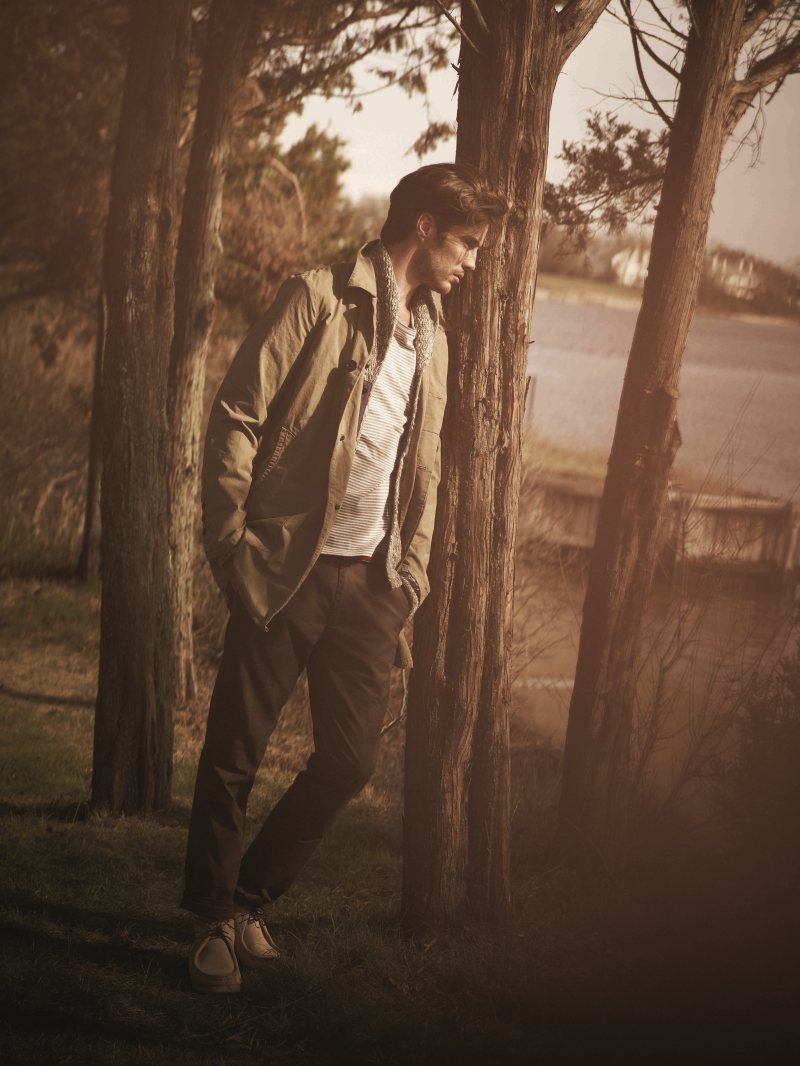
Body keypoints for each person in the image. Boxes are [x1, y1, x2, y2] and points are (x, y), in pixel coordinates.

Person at [181, 162, 507, 993]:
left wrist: (411, 576)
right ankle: (211, 924)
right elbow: (238, 414)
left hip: (372, 585)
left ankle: (249, 898)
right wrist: (230, 544)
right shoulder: (319, 297)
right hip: (285, 569)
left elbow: (424, 462)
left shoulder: (434, 335)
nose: (473, 262)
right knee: (234, 753)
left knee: (353, 759)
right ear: (425, 228)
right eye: (467, 244)